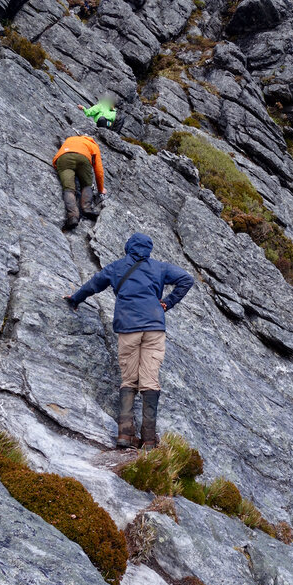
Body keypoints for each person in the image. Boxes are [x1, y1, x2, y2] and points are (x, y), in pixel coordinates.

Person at [64, 233, 194, 450]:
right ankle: (149, 440)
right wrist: (168, 302)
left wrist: (75, 299)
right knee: (150, 380)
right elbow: (186, 279)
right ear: (149, 249)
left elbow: (93, 285)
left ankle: (125, 435)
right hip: (154, 327)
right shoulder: (160, 267)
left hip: (128, 328)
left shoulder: (117, 267)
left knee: (129, 379)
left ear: (128, 247)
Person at [52, 135, 106, 229]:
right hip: (83, 158)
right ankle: (87, 208)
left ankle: (73, 216)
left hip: (64, 157)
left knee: (68, 189)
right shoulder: (93, 145)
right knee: (86, 184)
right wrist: (101, 189)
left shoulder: (70, 139)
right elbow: (99, 171)